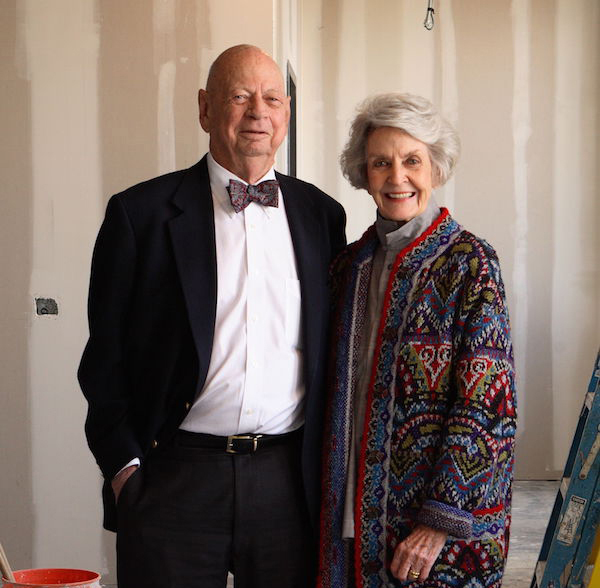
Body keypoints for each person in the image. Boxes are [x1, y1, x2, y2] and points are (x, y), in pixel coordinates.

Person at [78, 44, 346, 588]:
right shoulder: (140, 215)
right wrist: (126, 471)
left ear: (286, 116)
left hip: (287, 482)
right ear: (205, 108)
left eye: (272, 99)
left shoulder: (323, 216)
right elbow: (103, 360)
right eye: (239, 96)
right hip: (174, 478)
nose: (257, 112)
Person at [318, 93, 516, 588]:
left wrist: (438, 521)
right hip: (349, 521)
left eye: (412, 160)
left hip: (434, 531)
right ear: (364, 174)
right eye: (380, 163)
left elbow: (487, 406)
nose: (396, 177)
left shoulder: (469, 261)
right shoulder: (348, 265)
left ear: (436, 168)